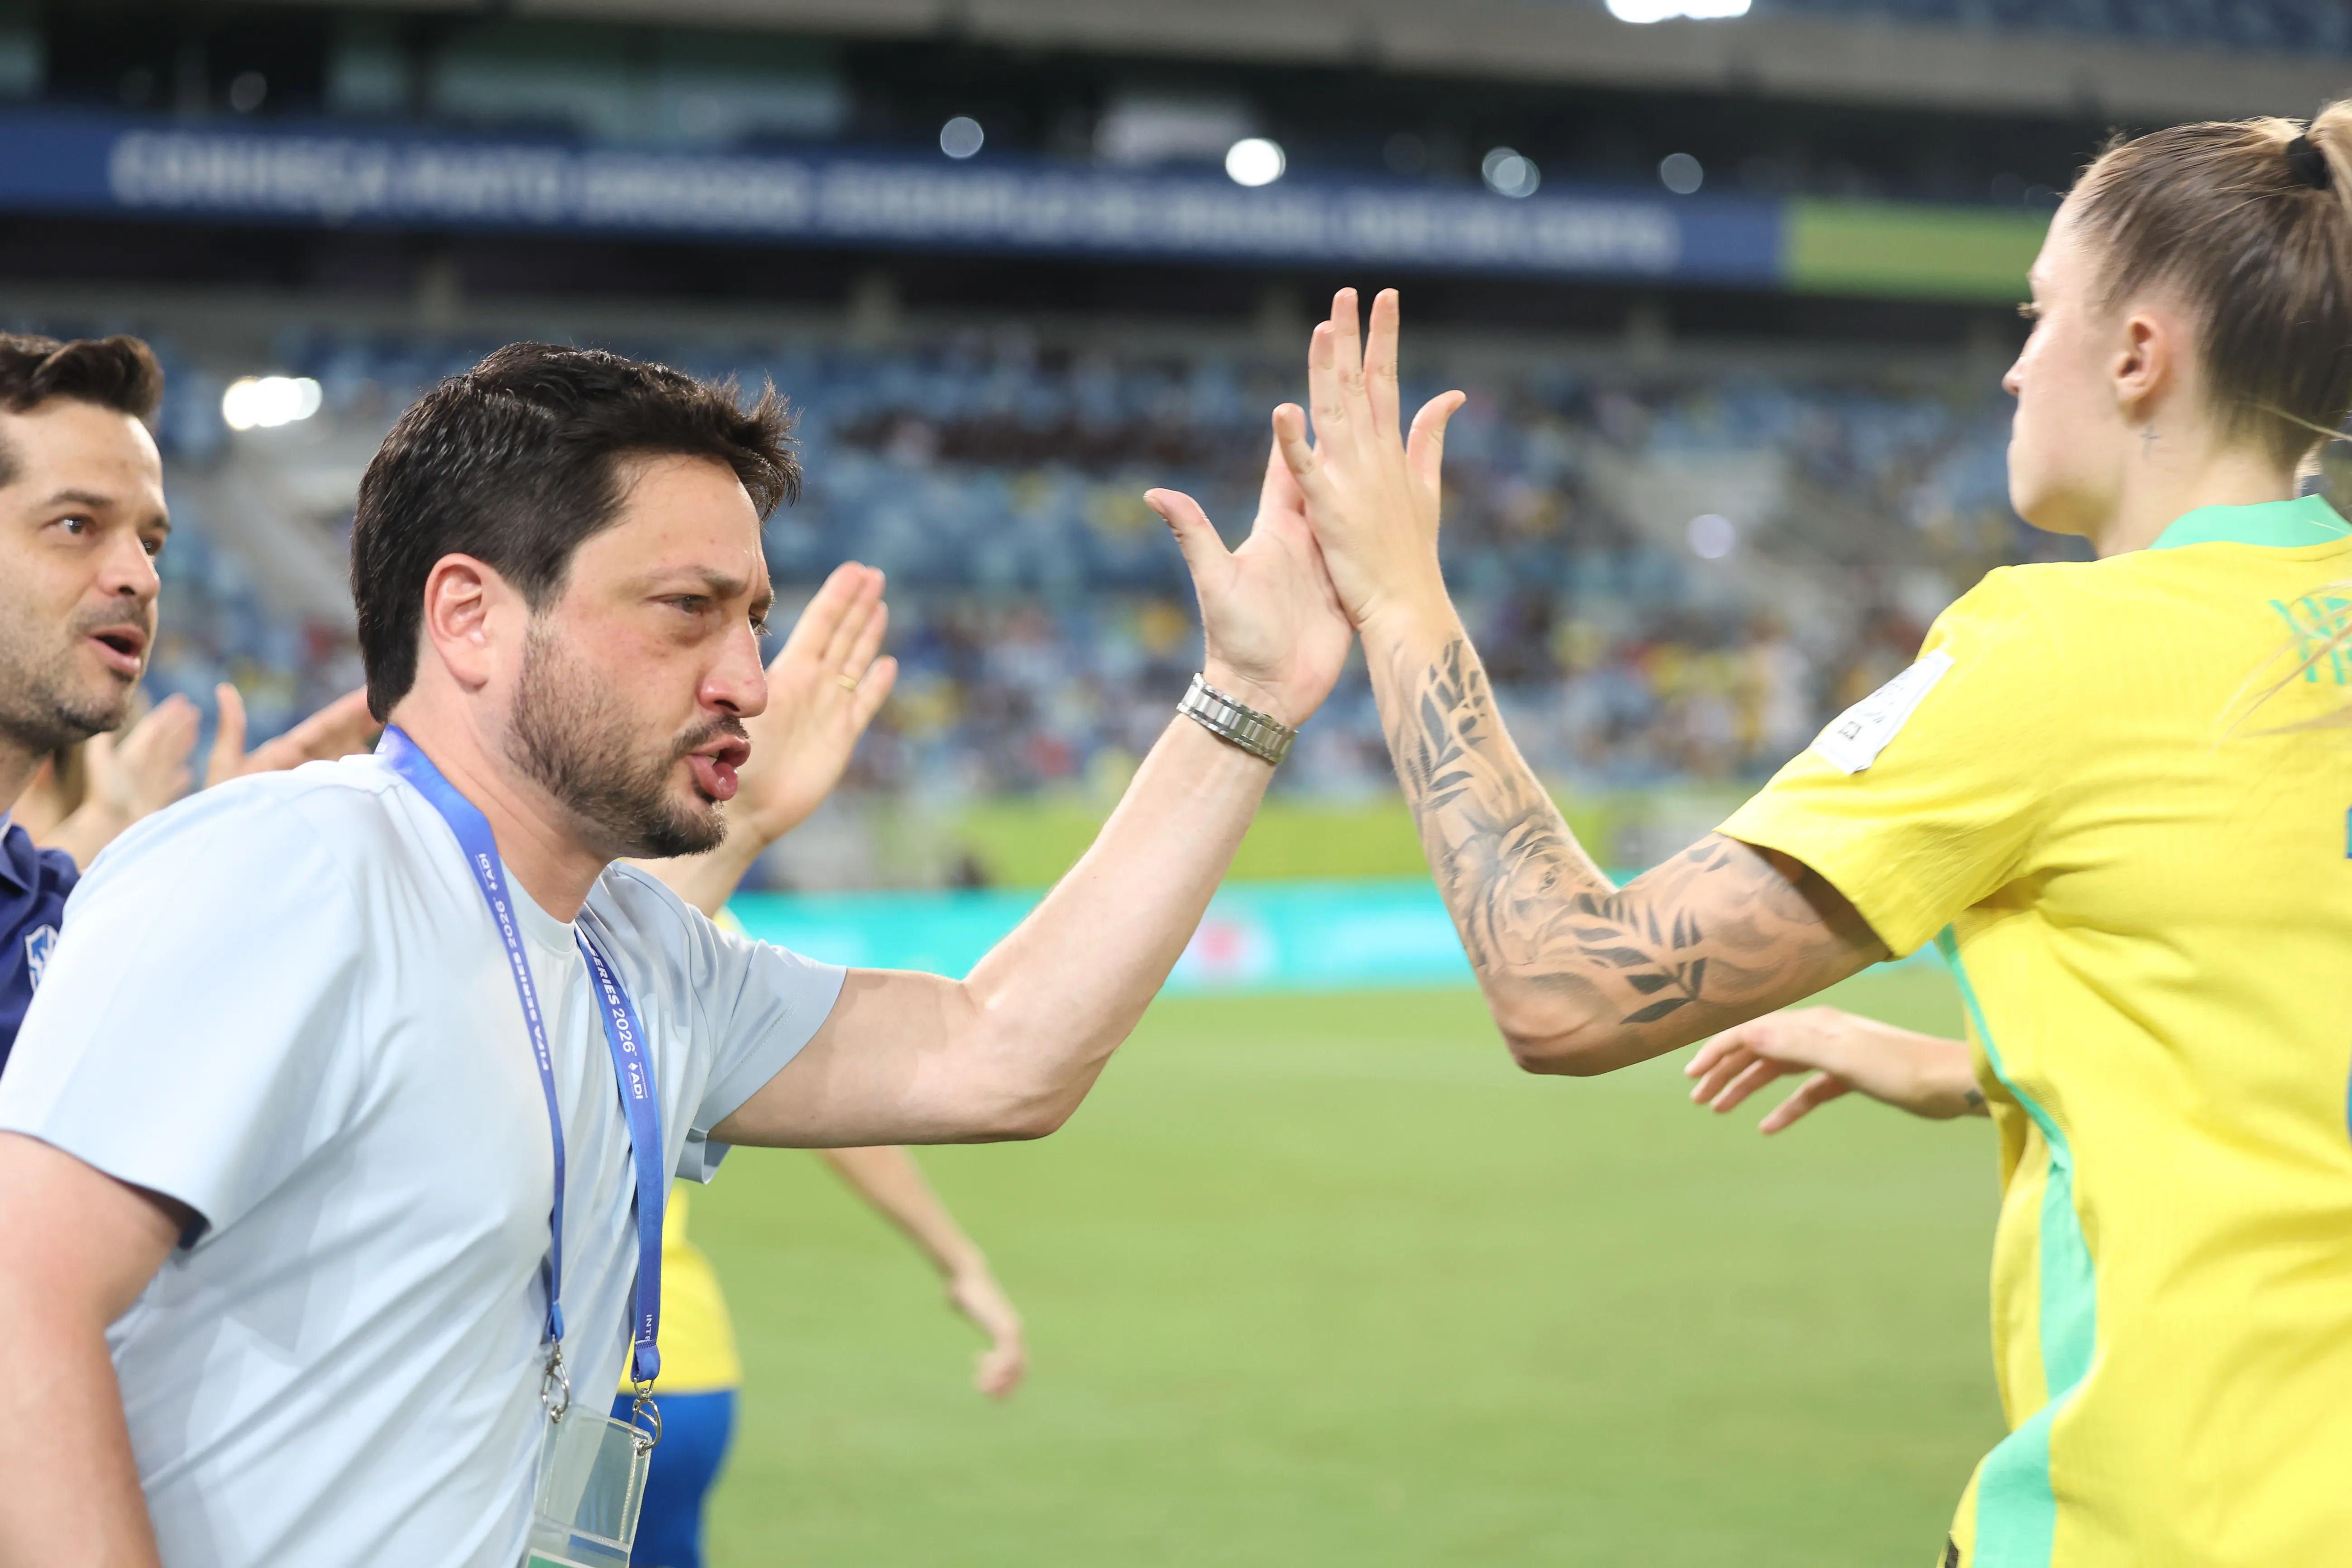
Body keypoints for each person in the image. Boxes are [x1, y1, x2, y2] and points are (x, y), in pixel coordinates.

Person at [0, 340, 1346, 1568]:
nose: (748, 679)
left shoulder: (639, 947)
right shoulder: (294, 870)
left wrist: (1247, 698)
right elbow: (21, 1300)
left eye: (751, 617)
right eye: (686, 611)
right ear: (468, 617)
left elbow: (1001, 1055)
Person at [1275, 107, 2352, 1567]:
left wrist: (1401, 598)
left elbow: (1565, 982)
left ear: (2136, 355)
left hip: (2172, 1523)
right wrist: (1982, 1069)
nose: (2011, 364)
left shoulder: (2055, 655)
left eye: (2038, 315)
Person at [622, 563, 1026, 1568]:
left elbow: (852, 1102)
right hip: (679, 1366)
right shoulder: (699, 925)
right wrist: (957, 1258)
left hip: (577, 1376)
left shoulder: (567, 917)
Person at [0, 330, 374, 1075]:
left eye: (153, 542)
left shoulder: (39, 900)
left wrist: (219, 861)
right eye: (76, 525)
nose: (142, 578)